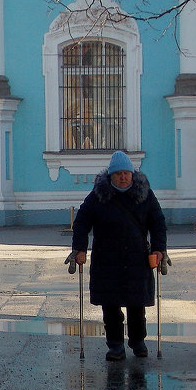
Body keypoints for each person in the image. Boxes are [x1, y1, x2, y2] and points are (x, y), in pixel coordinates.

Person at [72, 150, 167, 361]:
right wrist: (79, 248)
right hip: (107, 259)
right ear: (111, 176)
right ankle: (115, 345)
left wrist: (159, 249)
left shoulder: (145, 194)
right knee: (111, 305)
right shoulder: (98, 195)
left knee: (136, 305)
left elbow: (158, 222)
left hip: (137, 257)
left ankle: (137, 341)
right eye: (118, 174)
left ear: (132, 174)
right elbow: (81, 222)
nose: (123, 177)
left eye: (126, 173)